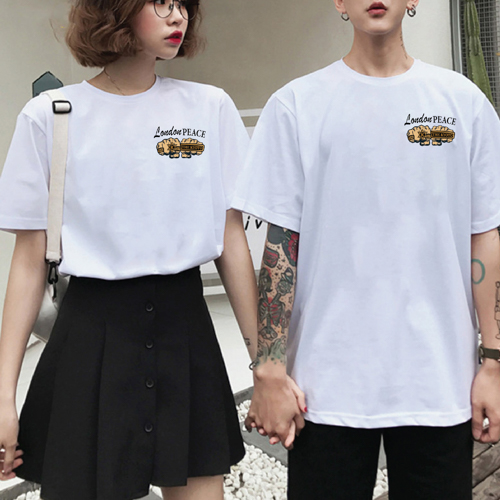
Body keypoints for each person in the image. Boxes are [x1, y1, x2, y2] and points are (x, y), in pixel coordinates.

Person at [234, 0, 500, 498]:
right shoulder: (296, 105)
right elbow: (281, 247)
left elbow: (484, 235)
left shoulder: (462, 103)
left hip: (438, 381)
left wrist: (494, 361)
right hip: (324, 386)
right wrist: (268, 369)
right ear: (338, 2)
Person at [0, 1, 259, 499]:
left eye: (182, 3)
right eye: (159, 2)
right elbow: (29, 261)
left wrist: (264, 362)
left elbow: (231, 241)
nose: (177, 16)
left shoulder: (209, 107)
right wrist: (3, 397)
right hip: (91, 335)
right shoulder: (52, 115)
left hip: (186, 331)